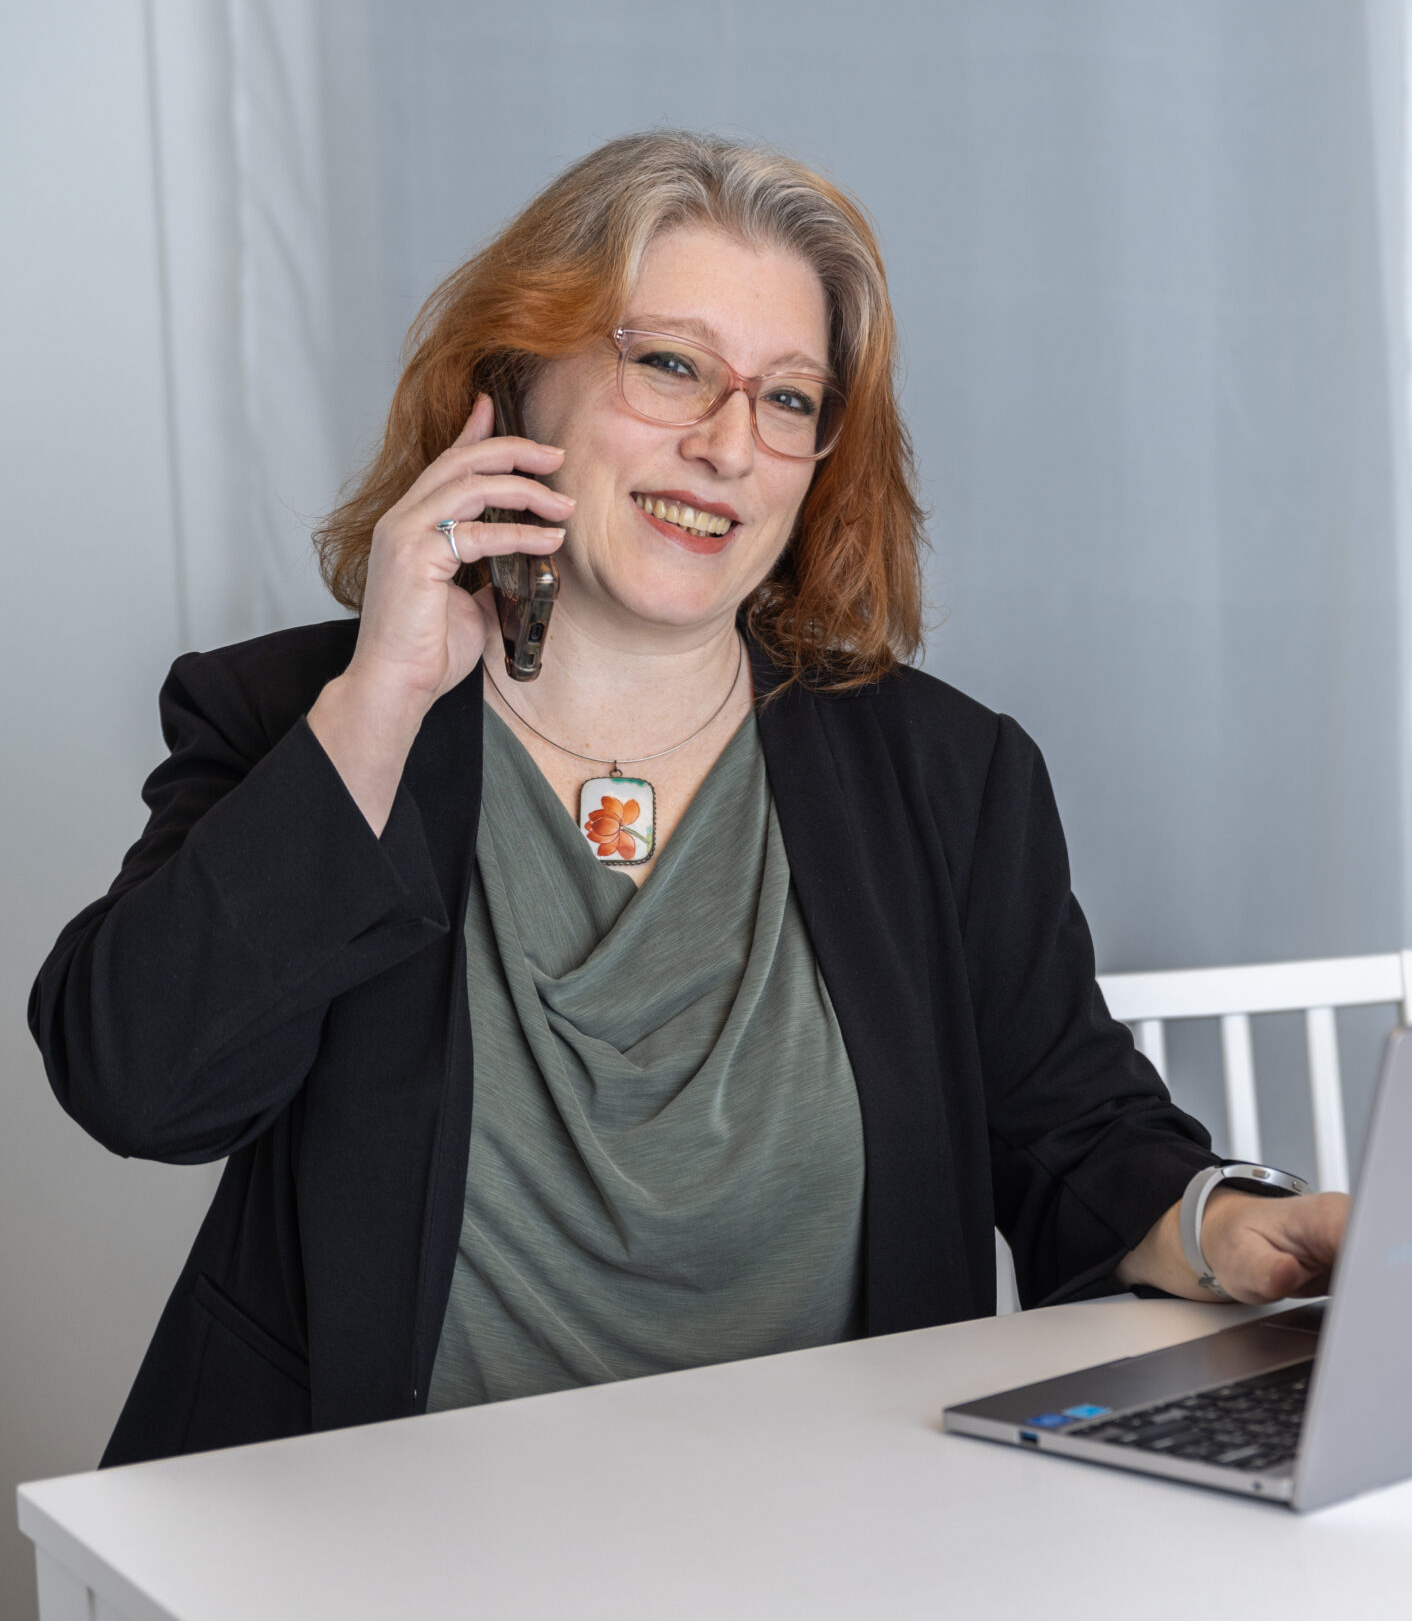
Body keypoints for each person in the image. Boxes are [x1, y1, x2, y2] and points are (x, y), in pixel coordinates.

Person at [29, 131, 1345, 1465]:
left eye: (786, 399)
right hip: (374, 1540)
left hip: (829, 1533)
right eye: (670, 366)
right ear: (511, 387)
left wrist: (1224, 1228)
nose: (728, 445)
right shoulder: (300, 721)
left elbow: (1071, 1135)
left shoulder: (947, 776)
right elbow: (140, 1088)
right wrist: (382, 701)